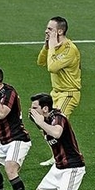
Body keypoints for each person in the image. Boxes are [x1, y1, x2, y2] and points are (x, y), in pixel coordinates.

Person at [24, 93, 91, 190]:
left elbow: (57, 133)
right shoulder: (45, 119)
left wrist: (40, 122)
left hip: (72, 167)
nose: (31, 110)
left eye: (35, 108)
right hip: (59, 166)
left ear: (45, 108)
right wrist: (39, 122)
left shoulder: (58, 118)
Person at [36, 16, 81, 166]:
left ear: (60, 31)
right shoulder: (54, 46)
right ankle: (57, 155)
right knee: (46, 124)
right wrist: (47, 44)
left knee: (56, 125)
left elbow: (52, 67)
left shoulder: (69, 49)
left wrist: (53, 46)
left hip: (69, 93)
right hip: (56, 92)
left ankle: (72, 156)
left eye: (50, 29)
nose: (46, 31)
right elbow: (41, 62)